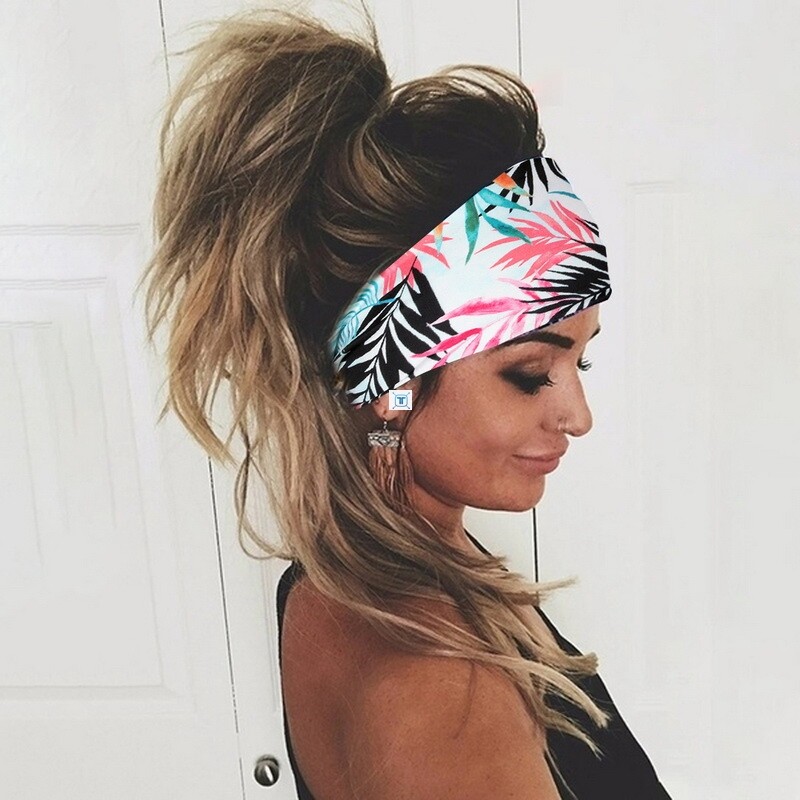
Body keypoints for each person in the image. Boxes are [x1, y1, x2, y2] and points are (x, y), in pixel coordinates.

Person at [140, 3, 672, 798]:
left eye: (581, 361)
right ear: (390, 377)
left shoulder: (331, 581)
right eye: (531, 372)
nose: (577, 416)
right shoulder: (443, 694)